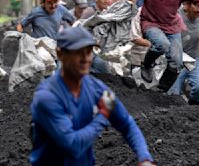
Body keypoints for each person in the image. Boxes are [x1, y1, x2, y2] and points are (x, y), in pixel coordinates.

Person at [29, 26, 155, 165]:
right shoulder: (47, 97)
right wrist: (102, 116)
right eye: (78, 53)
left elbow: (126, 123)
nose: (85, 59)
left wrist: (144, 157)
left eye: (88, 52)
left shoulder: (96, 88)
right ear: (60, 54)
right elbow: (73, 146)